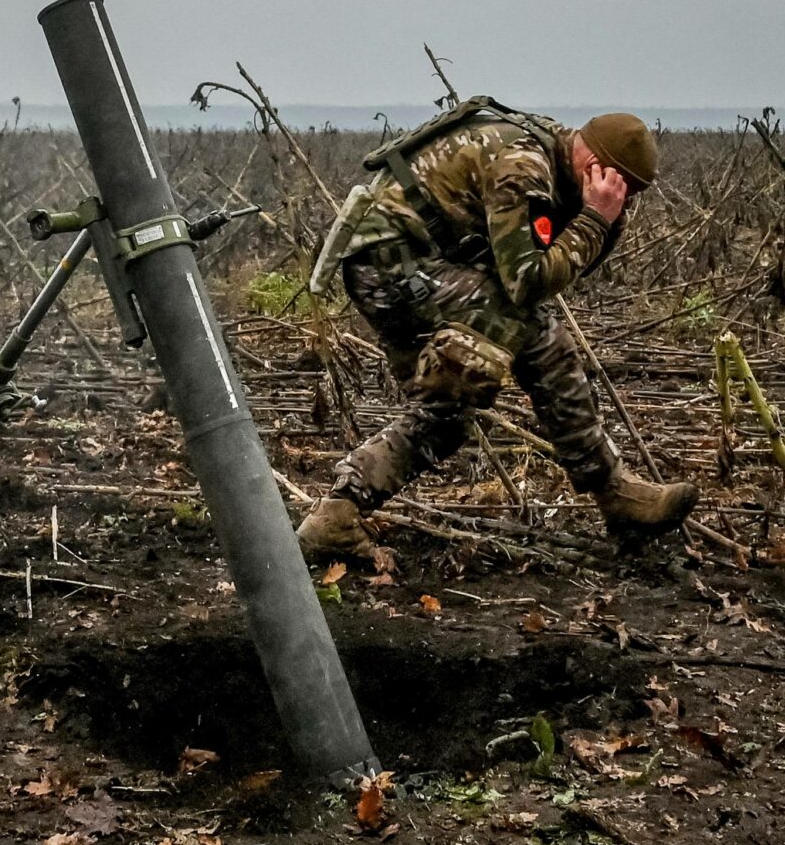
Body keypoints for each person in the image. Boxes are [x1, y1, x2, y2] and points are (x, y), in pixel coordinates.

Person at [297, 98, 698, 557]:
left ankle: (336, 516)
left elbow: (551, 268)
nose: (622, 200)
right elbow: (526, 283)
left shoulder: (555, 153)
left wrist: (604, 222)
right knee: (543, 339)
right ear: (595, 165)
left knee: (446, 416)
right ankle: (615, 493)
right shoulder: (524, 167)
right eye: (621, 188)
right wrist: (594, 220)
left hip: (401, 266)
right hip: (393, 266)